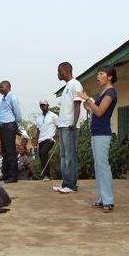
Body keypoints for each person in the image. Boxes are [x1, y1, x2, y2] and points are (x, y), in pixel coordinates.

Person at [78, 65, 118, 212]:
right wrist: (88, 105)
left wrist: (88, 99)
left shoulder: (110, 92)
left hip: (102, 133)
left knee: (103, 167)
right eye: (98, 74)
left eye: (101, 73)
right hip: (96, 133)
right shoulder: (104, 92)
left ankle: (108, 200)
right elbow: (95, 111)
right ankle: (102, 198)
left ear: (110, 77)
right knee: (98, 167)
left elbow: (100, 112)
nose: (98, 76)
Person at [53, 62, 83, 193]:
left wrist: (74, 123)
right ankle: (65, 183)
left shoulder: (75, 84)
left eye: (59, 71)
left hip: (70, 126)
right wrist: (59, 126)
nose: (58, 74)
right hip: (63, 126)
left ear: (66, 71)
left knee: (70, 156)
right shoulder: (66, 87)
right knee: (64, 156)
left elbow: (77, 105)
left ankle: (71, 185)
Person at [0, 80, 22, 183]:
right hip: (3, 127)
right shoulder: (3, 99)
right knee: (5, 152)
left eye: (2, 87)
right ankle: (6, 175)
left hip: (9, 126)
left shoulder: (12, 98)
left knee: (10, 151)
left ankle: (12, 176)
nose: (0, 89)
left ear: (8, 87)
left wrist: (16, 125)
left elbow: (18, 114)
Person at [34, 100, 58, 181]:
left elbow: (59, 126)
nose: (42, 107)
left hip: (50, 139)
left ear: (48, 105)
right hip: (41, 140)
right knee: (41, 156)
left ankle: (47, 175)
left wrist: (56, 135)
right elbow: (38, 130)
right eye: (41, 105)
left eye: (44, 105)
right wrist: (36, 140)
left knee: (43, 152)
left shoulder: (53, 116)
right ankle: (45, 175)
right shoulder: (38, 117)